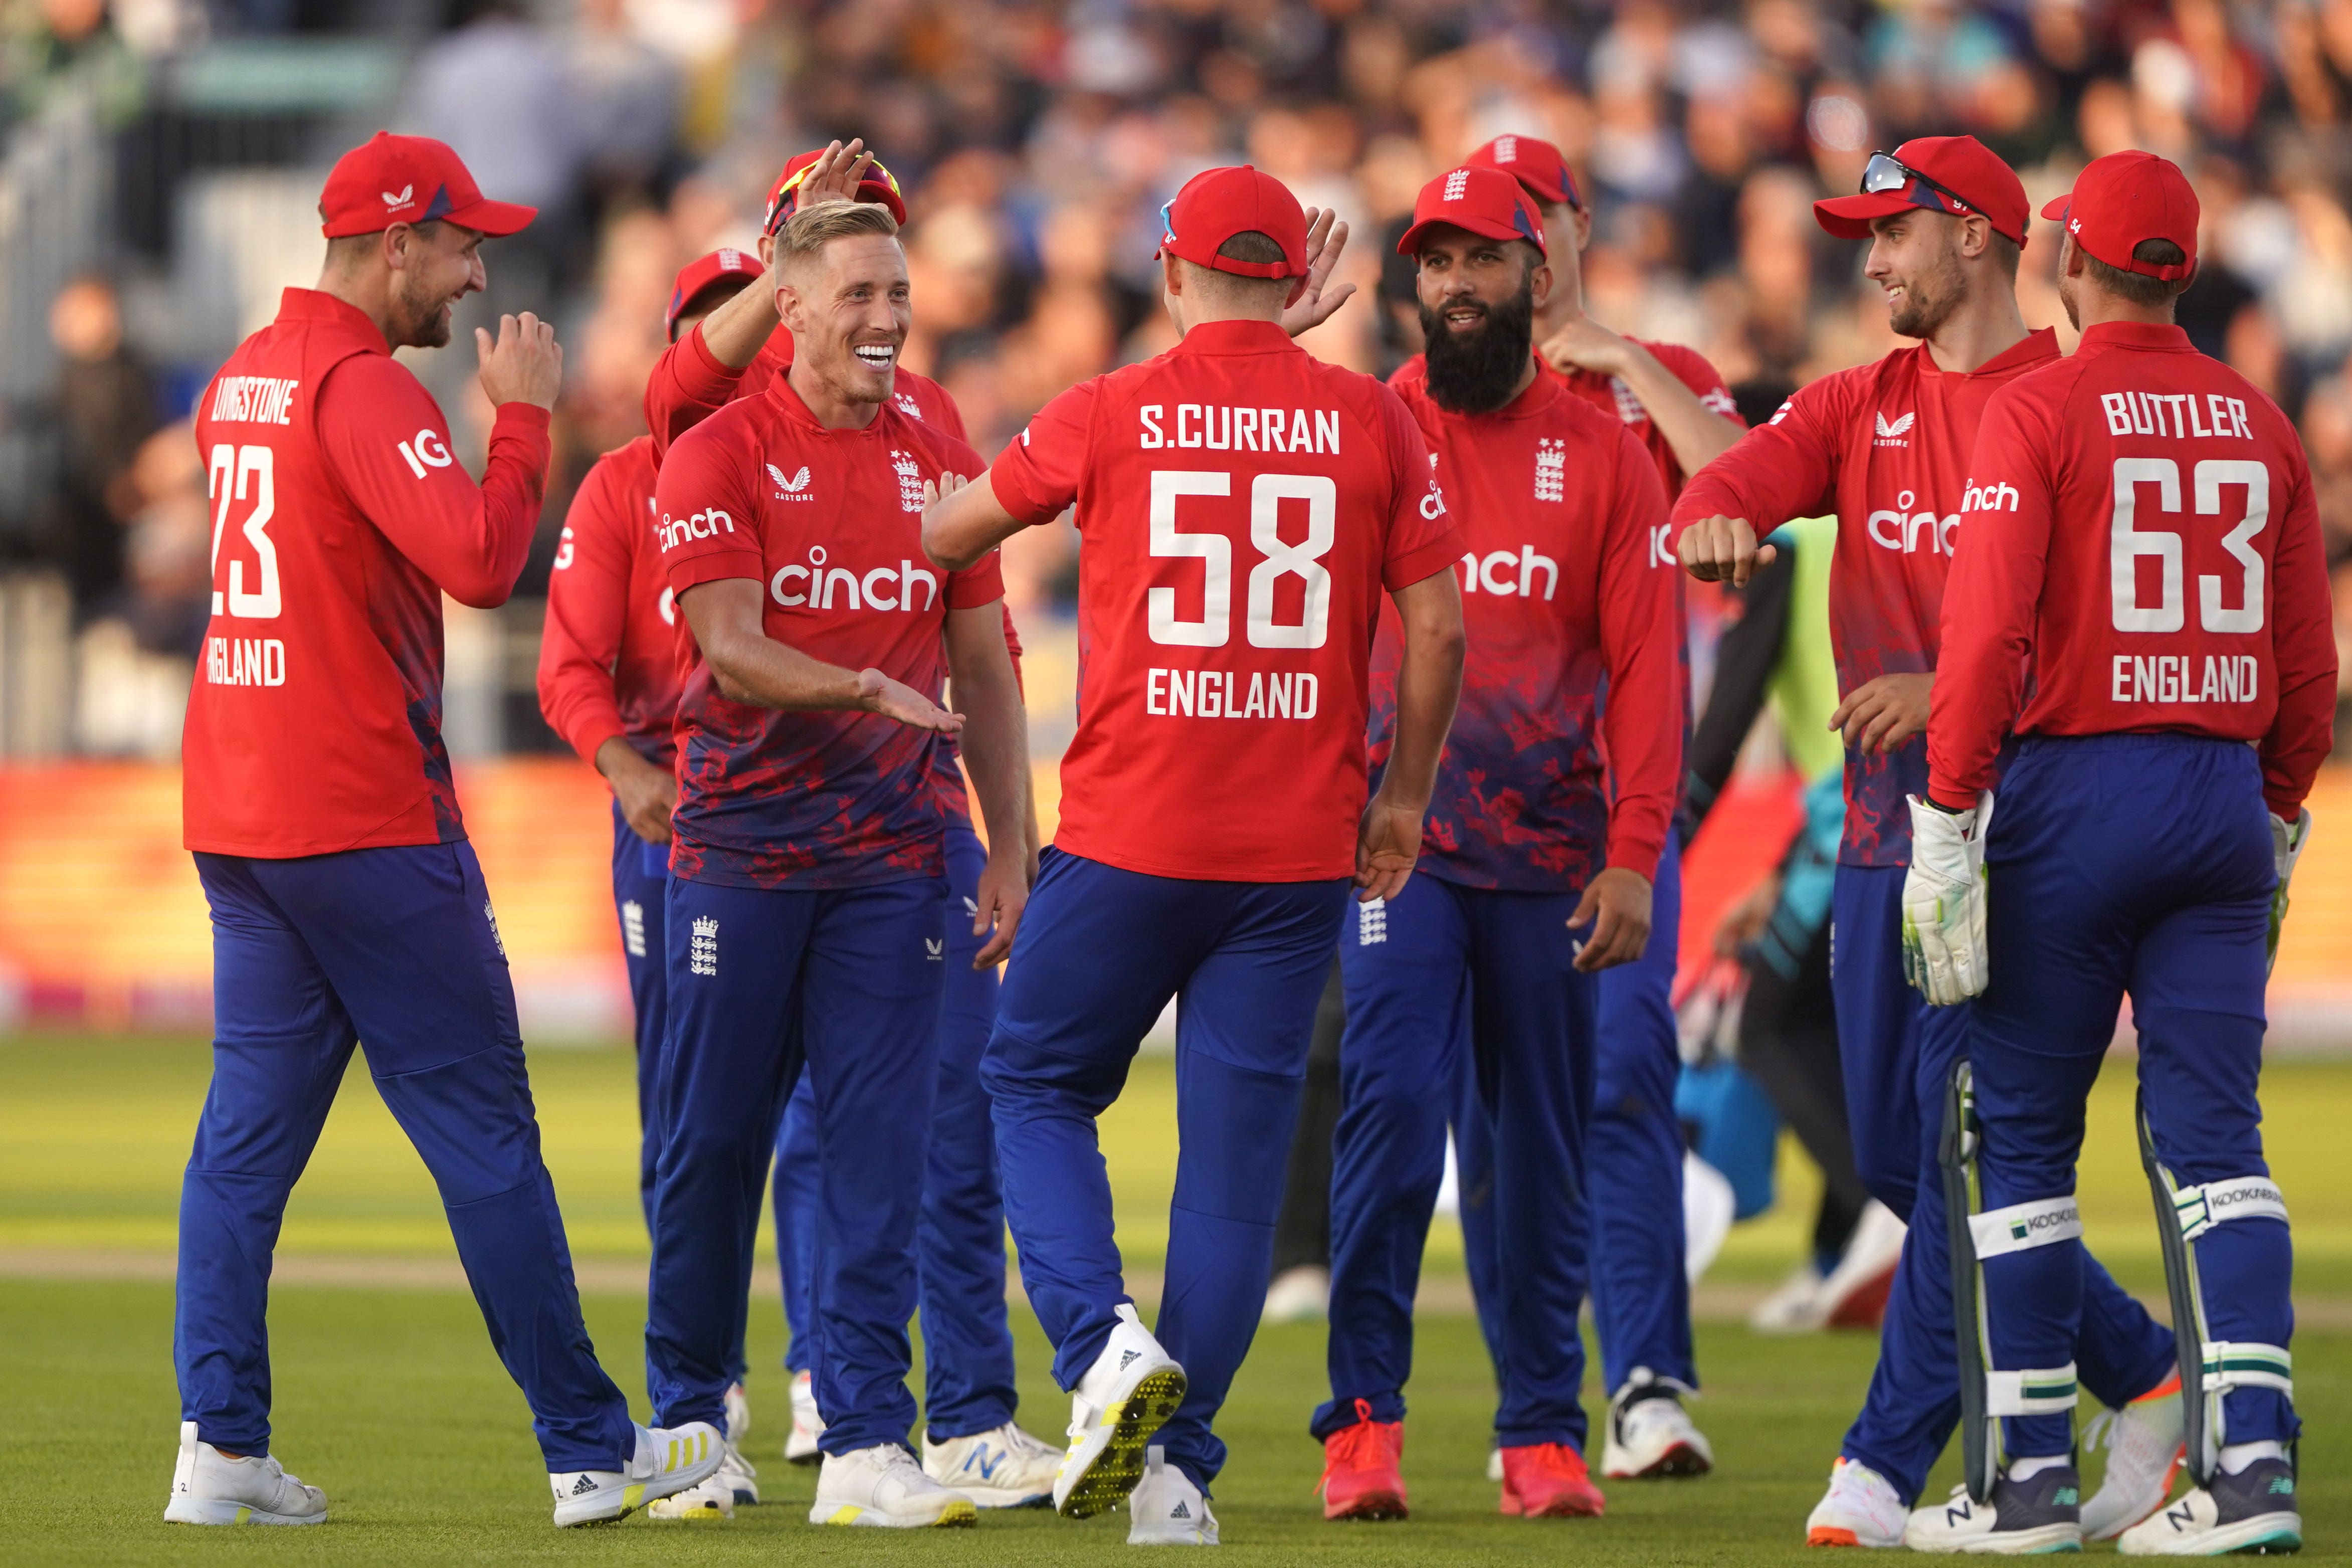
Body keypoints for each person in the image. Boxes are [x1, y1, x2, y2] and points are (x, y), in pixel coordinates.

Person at [169, 130, 722, 1529]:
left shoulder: (242, 377)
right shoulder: (361, 386)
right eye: (462, 243)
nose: (479, 274)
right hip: (360, 816)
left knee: (244, 1144)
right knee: (483, 1134)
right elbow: (481, 562)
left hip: (242, 812)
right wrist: (523, 417)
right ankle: (591, 1447)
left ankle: (219, 1450)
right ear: (393, 242)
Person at [922, 162, 1464, 1545]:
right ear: (1290, 284)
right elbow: (1441, 632)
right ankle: (1178, 1479)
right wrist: (1398, 801)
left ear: (1168, 277)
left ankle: (1103, 1353)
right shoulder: (1369, 421)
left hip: (1127, 838)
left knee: (1031, 1082)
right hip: (1291, 858)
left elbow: (946, 533)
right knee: (1229, 1173)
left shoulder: (1106, 408)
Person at [1672, 134, 2183, 1548]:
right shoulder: (1854, 402)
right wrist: (1710, 520)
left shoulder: (2077, 406)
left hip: (2029, 849)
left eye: (1889, 232)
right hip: (1885, 847)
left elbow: (2102, 638)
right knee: (1910, 1167)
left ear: (1971, 234)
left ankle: (1882, 1465)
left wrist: (1952, 690)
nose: (1870, 259)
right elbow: (1736, 480)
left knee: (1959, 1159)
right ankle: (2139, 1369)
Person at [1903, 149, 2331, 1555]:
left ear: (2069, 259)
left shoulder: (2037, 410)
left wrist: (1946, 817)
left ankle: (2022, 1483)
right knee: (2217, 1146)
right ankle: (2250, 1472)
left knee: (2011, 1140)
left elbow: (1983, 642)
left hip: (2071, 798)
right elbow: (2305, 666)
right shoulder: (2262, 423)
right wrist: (2269, 820)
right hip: (2218, 796)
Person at [640, 142, 1066, 1509]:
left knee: (887, 1154)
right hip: (742, 856)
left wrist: (1011, 840)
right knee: (711, 1149)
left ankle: (870, 1444)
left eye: (900, 288)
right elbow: (729, 646)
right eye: (862, 292)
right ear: (795, 307)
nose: (889, 314)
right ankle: (691, 1422)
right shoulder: (714, 450)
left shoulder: (941, 446)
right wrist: (862, 686)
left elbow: (985, 656)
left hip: (893, 861)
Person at [1311, 164, 1683, 1524]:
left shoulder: (1602, 452)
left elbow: (1649, 669)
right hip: (1395, 854)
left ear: (1540, 278)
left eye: (1483, 263)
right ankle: (1361, 1425)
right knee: (1394, 1122)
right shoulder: (1365, 425)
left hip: (1549, 859)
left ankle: (1541, 1433)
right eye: (1436, 263)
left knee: (1539, 1152)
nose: (1456, 287)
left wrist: (1636, 848)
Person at [1465, 131, 1747, 1476]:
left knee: (1627, 1069)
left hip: (1620, 803)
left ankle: (1642, 1382)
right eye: (1488, 229)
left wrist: (1627, 366)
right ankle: (1530, 1398)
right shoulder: (1437, 388)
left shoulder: (1663, 380)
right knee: (1488, 1100)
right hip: (1474, 807)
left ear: (1572, 231)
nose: (1515, 247)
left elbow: (1751, 519)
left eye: (1535, 217)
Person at [534, 244, 765, 1515]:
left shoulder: (815, 470)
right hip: (678, 817)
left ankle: (846, 1390)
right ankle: (705, 1391)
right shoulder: (625, 485)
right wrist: (625, 766)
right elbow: (568, 667)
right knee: (693, 1111)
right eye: (707, 327)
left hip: (824, 817)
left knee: (847, 1116)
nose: (730, 353)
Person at [1680, 511, 1905, 1335]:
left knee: (1771, 1024)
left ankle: (1894, 1210)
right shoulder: (1867, 522)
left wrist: (1654, 855)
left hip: (1855, 821)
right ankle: (1835, 1256)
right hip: (1912, 812)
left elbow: (1724, 725)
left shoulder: (1786, 547)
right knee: (1849, 1038)